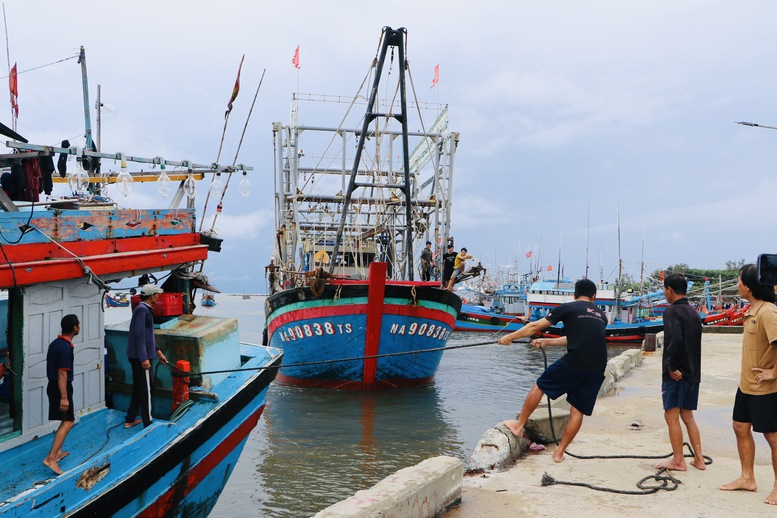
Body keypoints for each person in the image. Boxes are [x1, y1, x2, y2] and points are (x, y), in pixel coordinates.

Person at [497, 278, 607, 462]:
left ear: (574, 295)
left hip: (576, 361)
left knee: (540, 385)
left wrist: (510, 337)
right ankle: (559, 452)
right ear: (594, 297)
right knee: (577, 410)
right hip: (598, 367)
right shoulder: (601, 315)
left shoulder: (569, 307)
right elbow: (579, 338)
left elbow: (534, 326)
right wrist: (548, 342)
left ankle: (518, 425)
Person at [720, 264, 777, 505]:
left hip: (766, 389)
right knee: (740, 427)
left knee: (773, 437)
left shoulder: (768, 312)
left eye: (739, 281)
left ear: (750, 287)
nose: (737, 285)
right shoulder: (753, 310)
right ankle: (747, 478)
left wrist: (774, 372)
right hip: (746, 386)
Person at [655, 273, 705, 471]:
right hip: (693, 371)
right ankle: (699, 459)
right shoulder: (694, 312)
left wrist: (672, 367)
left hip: (677, 374)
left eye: (664, 289)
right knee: (687, 415)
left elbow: (674, 340)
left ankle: (678, 460)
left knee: (671, 415)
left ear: (669, 290)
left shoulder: (672, 312)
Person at [125, 284, 168, 428]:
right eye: (156, 294)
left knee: (139, 388)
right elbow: (139, 336)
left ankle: (130, 419)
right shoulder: (142, 310)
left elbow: (149, 336)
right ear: (151, 296)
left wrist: (158, 353)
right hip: (140, 358)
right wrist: (144, 358)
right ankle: (148, 422)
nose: (158, 296)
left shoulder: (144, 309)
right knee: (147, 390)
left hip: (139, 356)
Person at [42, 314, 80, 475]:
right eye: (78, 325)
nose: (79, 327)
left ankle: (58, 452)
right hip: (60, 388)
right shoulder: (65, 347)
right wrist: (64, 397)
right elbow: (62, 373)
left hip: (54, 386)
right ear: (75, 328)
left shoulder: (56, 343)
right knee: (68, 422)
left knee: (65, 420)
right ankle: (51, 458)